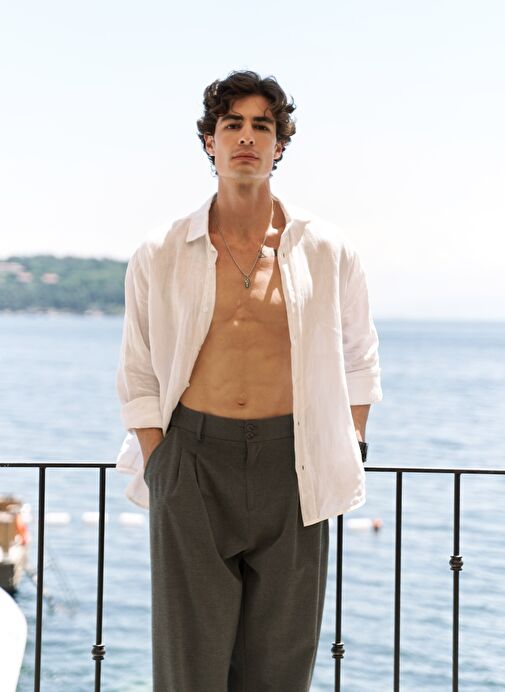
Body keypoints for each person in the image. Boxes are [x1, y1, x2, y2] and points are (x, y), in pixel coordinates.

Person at [115, 69, 382, 692]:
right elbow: (138, 367)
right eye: (232, 123)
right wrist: (161, 465)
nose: (246, 137)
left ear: (279, 144)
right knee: (189, 670)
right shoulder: (162, 249)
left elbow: (360, 358)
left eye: (262, 125)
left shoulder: (326, 249)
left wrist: (349, 444)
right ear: (209, 141)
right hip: (192, 462)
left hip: (295, 464)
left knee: (281, 669)